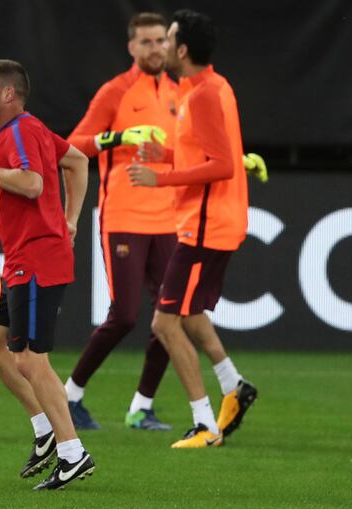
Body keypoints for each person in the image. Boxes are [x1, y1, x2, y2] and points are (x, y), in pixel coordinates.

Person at [128, 9, 258, 448]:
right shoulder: (209, 87)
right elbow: (207, 153)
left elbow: (220, 166)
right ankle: (234, 386)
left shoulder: (201, 95)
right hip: (211, 222)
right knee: (189, 314)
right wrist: (164, 156)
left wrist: (159, 178)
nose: (162, 46)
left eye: (167, 39)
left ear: (182, 50)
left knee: (166, 323)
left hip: (204, 227)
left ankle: (206, 424)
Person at [0, 59, 95, 490]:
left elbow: (31, 183)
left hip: (37, 259)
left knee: (29, 358)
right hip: (26, 257)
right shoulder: (28, 129)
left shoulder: (20, 130)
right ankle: (45, 428)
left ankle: (72, 452)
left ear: (8, 94)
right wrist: (72, 218)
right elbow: (78, 161)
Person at [64, 12, 179, 432]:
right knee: (126, 315)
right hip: (124, 217)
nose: (154, 49)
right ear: (132, 48)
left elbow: (189, 151)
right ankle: (71, 394)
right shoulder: (116, 91)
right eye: (146, 42)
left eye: (160, 41)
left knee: (174, 314)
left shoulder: (178, 91)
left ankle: (141, 407)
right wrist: (116, 138)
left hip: (168, 218)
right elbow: (72, 146)